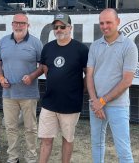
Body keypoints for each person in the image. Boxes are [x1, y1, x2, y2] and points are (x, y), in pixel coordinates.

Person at [86, 8, 138, 163]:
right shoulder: (95, 46)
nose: (104, 26)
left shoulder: (129, 46)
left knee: (123, 149)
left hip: (118, 105)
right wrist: (95, 101)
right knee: (97, 144)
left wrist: (102, 101)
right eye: (101, 23)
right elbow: (89, 75)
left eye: (108, 22)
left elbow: (127, 81)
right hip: (95, 105)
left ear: (118, 22)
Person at [38, 12, 89, 163]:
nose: (59, 30)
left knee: (67, 139)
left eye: (62, 26)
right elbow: (47, 71)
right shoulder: (47, 48)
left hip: (71, 104)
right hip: (49, 103)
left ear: (70, 28)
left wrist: (79, 90)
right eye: (56, 27)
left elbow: (89, 75)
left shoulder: (81, 49)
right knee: (46, 140)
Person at [0, 13, 43, 163]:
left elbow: (43, 66)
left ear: (28, 25)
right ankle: (13, 157)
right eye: (16, 23)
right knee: (10, 127)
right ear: (12, 24)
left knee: (30, 128)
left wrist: (32, 76)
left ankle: (31, 157)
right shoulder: (3, 41)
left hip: (29, 94)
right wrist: (1, 78)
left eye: (22, 23)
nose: (19, 25)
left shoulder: (36, 43)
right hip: (8, 94)